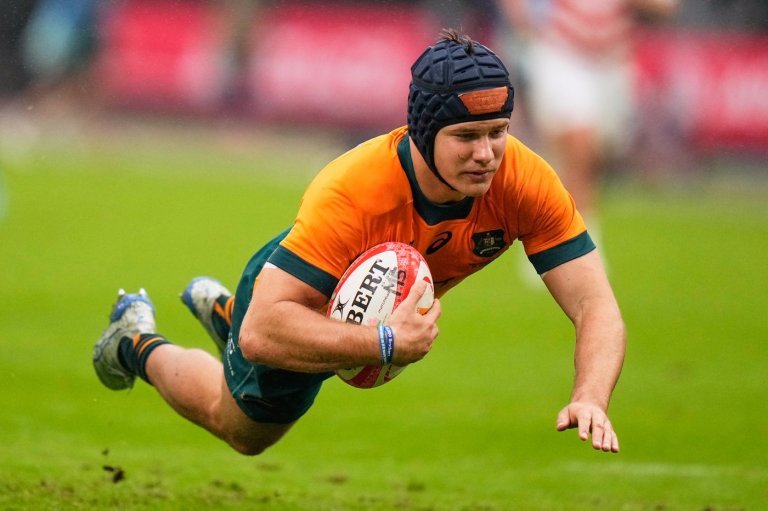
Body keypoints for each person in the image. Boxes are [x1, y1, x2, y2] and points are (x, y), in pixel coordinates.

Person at [93, 29, 625, 456]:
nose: (486, 154)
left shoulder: (525, 181)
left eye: (497, 131)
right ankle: (134, 341)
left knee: (259, 370)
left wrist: (590, 397)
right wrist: (386, 344)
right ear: (423, 133)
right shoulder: (354, 192)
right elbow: (262, 333)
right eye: (466, 136)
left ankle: (224, 316)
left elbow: (595, 304)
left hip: (365, 314)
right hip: (298, 298)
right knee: (242, 432)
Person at [497, 0, 678, 234]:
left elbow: (665, 7)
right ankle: (577, 239)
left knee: (593, 158)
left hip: (612, 61)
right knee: (579, 148)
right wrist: (524, 18)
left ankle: (542, 223)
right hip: (562, 52)